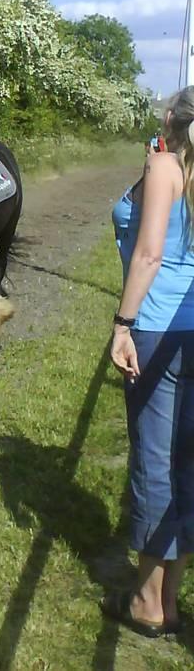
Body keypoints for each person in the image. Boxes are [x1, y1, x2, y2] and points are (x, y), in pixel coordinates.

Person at [105, 86, 194, 637]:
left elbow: (149, 252)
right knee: (186, 464)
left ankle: (146, 603)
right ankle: (174, 601)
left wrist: (123, 324)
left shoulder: (164, 165)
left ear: (169, 119)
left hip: (158, 328)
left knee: (154, 463)